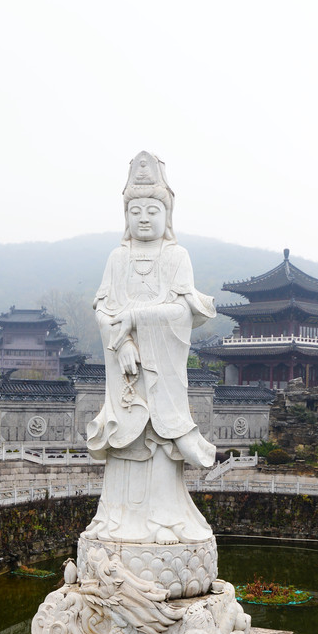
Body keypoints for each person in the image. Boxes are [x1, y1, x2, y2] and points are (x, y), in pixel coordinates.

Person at [84, 151, 216, 544]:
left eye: (152, 210)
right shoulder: (116, 258)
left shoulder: (177, 256)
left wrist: (138, 319)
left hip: (162, 370)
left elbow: (182, 310)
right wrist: (121, 343)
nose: (143, 218)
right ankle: (115, 518)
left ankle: (165, 519)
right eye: (135, 210)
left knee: (159, 440)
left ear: (167, 216)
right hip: (125, 372)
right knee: (126, 438)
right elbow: (104, 309)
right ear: (125, 217)